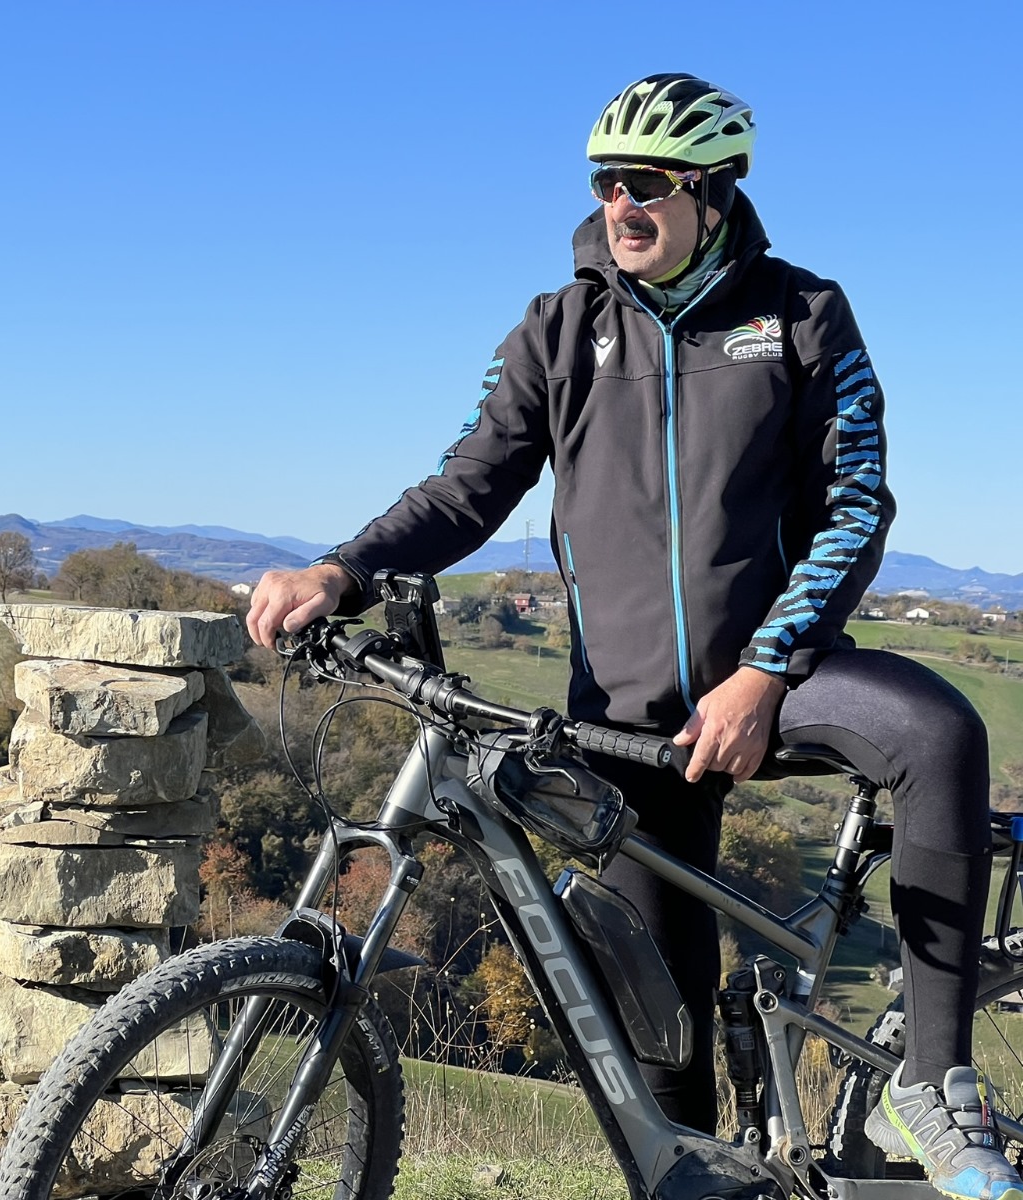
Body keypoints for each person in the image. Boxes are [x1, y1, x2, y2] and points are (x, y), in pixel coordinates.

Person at [247, 73, 1015, 1200]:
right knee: (665, 1065)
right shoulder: (558, 328)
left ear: (713, 191)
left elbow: (856, 505)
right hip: (625, 722)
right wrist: (341, 569)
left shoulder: (802, 313)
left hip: (777, 684)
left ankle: (934, 1086)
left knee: (939, 733)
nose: (621, 204)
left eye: (646, 183)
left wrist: (763, 670)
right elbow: (467, 486)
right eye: (607, 182)